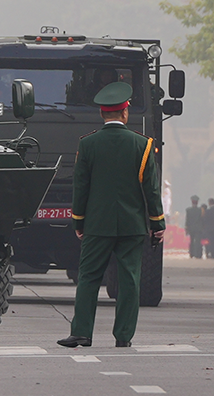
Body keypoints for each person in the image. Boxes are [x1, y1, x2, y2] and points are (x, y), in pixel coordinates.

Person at [56, 82, 165, 349]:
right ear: (125, 113)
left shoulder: (88, 144)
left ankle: (81, 332)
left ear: (102, 114)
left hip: (97, 224)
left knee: (89, 277)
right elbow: (151, 189)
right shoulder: (143, 145)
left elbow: (80, 187)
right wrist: (157, 223)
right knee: (129, 280)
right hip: (132, 225)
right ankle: (124, 336)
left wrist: (79, 221)